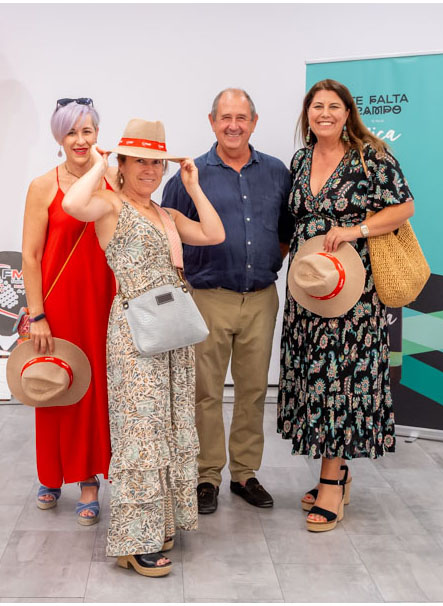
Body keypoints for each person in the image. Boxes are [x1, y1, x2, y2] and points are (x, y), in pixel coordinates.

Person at [62, 119, 225, 577]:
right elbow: (73, 204)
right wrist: (101, 164)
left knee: (168, 427)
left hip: (172, 332)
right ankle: (134, 542)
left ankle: (161, 524)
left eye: (156, 162)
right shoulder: (111, 205)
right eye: (140, 161)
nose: (150, 170)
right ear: (124, 164)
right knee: (140, 432)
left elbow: (215, 234)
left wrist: (193, 186)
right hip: (135, 331)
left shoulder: (167, 214)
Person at [277, 79, 415, 532]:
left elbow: (404, 207)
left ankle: (331, 482)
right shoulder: (300, 160)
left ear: (348, 112)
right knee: (313, 379)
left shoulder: (370, 156)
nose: (325, 113)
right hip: (309, 287)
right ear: (307, 113)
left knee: (340, 381)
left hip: (352, 290)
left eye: (333, 106)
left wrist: (356, 231)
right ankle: (336, 472)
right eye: (317, 106)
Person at [162, 88, 292, 514]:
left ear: (254, 122)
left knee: (254, 390)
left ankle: (245, 474)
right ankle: (206, 476)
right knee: (206, 393)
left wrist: (262, 263)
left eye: (241, 117)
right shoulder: (190, 175)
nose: (233, 125)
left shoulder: (276, 172)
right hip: (208, 297)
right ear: (212, 121)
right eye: (225, 117)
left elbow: (285, 231)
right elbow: (168, 233)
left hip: (261, 299)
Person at [20, 98, 117, 525]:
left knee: (95, 392)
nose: (80, 140)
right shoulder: (43, 186)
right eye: (71, 132)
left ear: (97, 134)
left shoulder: (111, 180)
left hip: (103, 300)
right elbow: (30, 255)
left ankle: (89, 478)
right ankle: (51, 474)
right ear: (59, 137)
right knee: (55, 385)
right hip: (58, 304)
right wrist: (37, 314)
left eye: (87, 131)